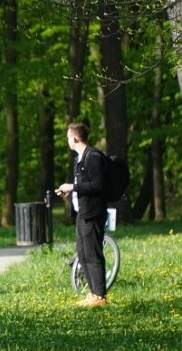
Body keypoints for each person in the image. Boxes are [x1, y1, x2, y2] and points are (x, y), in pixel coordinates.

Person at [55, 122, 109, 307]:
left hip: (93, 212)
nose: (67, 140)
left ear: (75, 138)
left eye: (68, 137)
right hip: (81, 213)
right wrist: (70, 191)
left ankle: (100, 296)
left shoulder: (93, 157)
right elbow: (84, 185)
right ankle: (93, 293)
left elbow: (99, 185)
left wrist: (73, 187)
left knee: (93, 253)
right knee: (82, 253)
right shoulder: (78, 159)